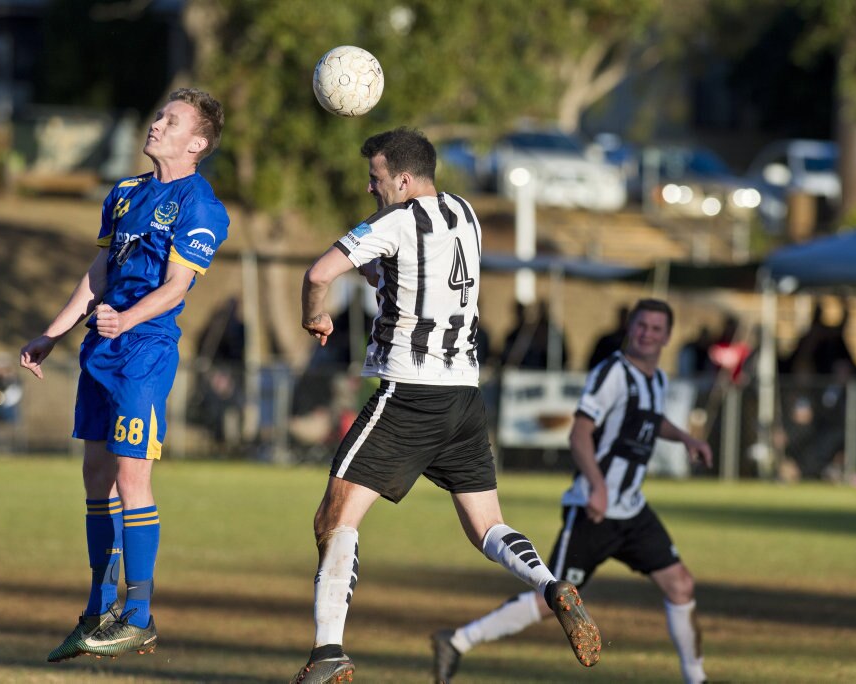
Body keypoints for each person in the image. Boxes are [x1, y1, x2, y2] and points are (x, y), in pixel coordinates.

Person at [294, 127, 600, 683]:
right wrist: (373, 272)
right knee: (487, 526)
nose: (371, 189)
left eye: (377, 179)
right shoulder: (465, 213)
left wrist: (315, 315)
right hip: (463, 393)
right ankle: (552, 585)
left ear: (405, 180)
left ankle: (327, 653)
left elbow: (319, 273)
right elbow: (409, 273)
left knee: (334, 518)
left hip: (408, 392)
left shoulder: (396, 220)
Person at [19, 88, 228, 662]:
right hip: (102, 349)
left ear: (197, 143)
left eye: (171, 120)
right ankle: (95, 612)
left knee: (133, 478)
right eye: (159, 114)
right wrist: (54, 332)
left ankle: (139, 615)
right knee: (95, 478)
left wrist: (125, 319)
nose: (156, 123)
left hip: (146, 351)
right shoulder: (125, 192)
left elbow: (177, 287)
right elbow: (100, 271)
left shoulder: (200, 204)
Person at [432, 298, 714, 684]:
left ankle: (697, 680)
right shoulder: (612, 372)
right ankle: (459, 640)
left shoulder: (657, 380)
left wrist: (685, 439)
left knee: (680, 584)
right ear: (630, 328)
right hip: (592, 511)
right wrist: (597, 486)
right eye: (641, 326)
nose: (647, 334)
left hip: (632, 510)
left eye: (656, 329)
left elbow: (651, 417)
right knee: (554, 599)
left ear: (667, 336)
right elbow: (580, 434)